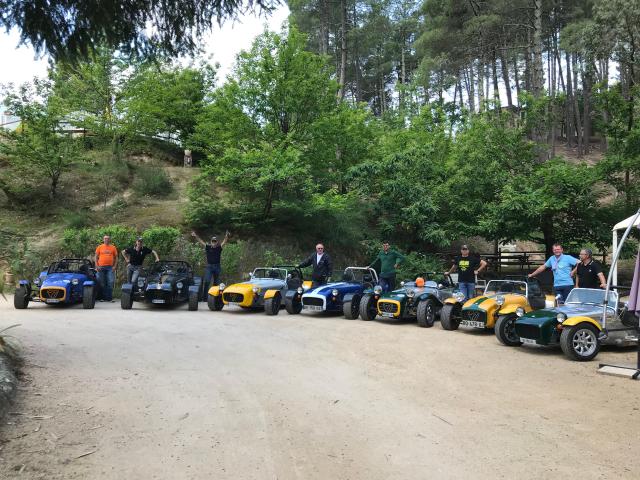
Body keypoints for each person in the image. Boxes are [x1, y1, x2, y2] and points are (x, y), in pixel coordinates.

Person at [191, 230, 230, 299]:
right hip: (209, 267)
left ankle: (215, 297)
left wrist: (226, 236)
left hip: (217, 266)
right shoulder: (207, 247)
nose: (214, 242)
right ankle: (205, 297)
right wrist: (195, 235)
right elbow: (201, 241)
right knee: (207, 281)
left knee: (216, 282)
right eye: (212, 241)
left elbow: (224, 241)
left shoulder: (219, 248)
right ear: (211, 242)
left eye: (215, 241)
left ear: (217, 242)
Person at [94, 235, 118, 302]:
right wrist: (96, 266)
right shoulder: (99, 247)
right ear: (103, 240)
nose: (106, 240)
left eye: (107, 239)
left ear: (109, 240)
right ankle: (103, 298)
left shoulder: (113, 247)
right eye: (105, 239)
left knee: (110, 281)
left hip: (110, 267)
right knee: (102, 282)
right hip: (101, 267)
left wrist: (115, 266)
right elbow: (96, 257)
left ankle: (109, 298)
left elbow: (116, 258)